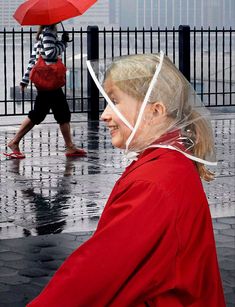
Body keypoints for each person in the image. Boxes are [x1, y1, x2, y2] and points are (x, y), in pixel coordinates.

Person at [27, 53, 225, 306]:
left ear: (155, 111)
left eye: (115, 101)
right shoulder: (170, 164)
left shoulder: (151, 183)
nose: (104, 115)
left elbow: (97, 274)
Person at [3, 24, 86, 159]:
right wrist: (63, 43)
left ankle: (70, 146)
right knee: (48, 114)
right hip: (49, 81)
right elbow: (50, 53)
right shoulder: (49, 32)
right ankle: (14, 142)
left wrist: (25, 80)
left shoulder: (43, 33)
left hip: (45, 82)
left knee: (55, 113)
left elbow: (33, 60)